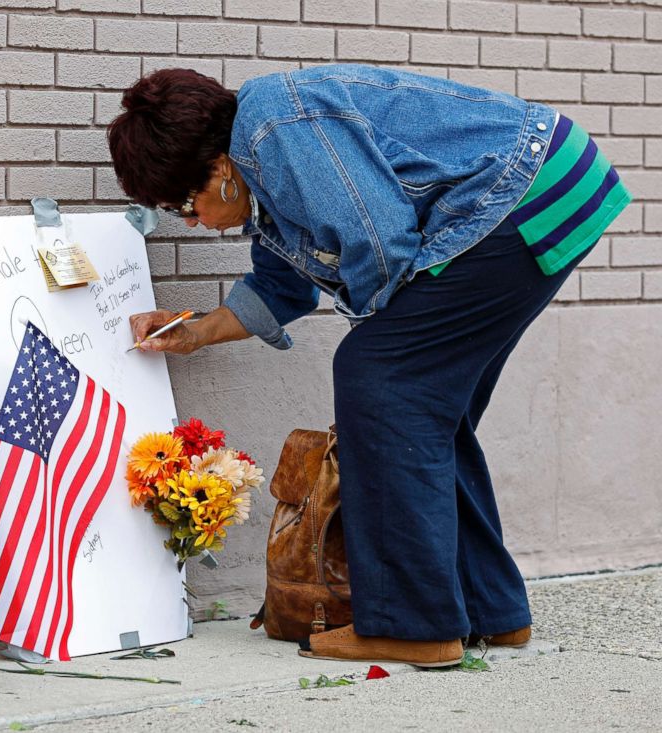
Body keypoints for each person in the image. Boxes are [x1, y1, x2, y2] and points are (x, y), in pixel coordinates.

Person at [107, 65, 631, 668]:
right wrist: (196, 332)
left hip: (526, 194)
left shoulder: (274, 125)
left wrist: (381, 364)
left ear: (220, 170)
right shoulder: (269, 175)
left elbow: (378, 239)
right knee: (427, 407)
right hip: (559, 189)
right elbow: (282, 289)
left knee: (380, 379)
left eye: (183, 205)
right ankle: (493, 612)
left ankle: (414, 626)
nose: (192, 221)